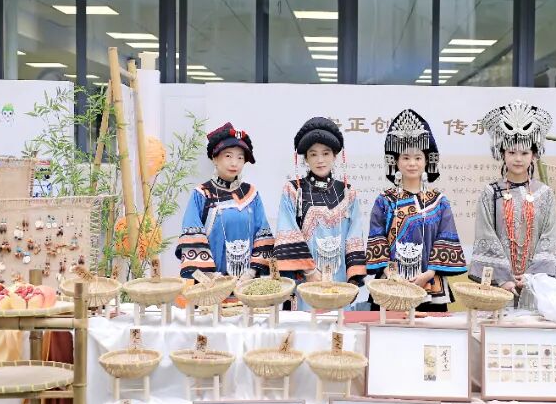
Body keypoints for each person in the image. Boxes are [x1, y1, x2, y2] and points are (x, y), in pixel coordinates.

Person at [469, 99, 556, 309]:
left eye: (524, 153)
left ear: (534, 155)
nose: (518, 159)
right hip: (498, 285)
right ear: (502, 153)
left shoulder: (544, 194)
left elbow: (550, 237)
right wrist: (503, 278)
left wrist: (532, 276)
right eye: (512, 152)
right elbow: (486, 235)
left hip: (536, 284)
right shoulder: (490, 193)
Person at [366, 109, 466, 311]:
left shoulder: (439, 202)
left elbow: (445, 239)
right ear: (395, 161)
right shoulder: (385, 200)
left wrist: (429, 273)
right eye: (405, 157)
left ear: (427, 161)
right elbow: (377, 239)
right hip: (390, 284)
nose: (412, 163)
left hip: (430, 285)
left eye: (418, 158)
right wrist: (391, 273)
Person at [274, 117, 366, 308]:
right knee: (306, 322)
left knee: (339, 322)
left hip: (339, 280)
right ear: (306, 159)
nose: (320, 160)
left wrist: (352, 279)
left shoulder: (347, 192)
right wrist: (309, 271)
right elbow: (287, 230)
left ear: (335, 156)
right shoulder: (293, 190)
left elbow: (354, 234)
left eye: (326, 153)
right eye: (313, 154)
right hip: (306, 280)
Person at [176, 122, 274, 281]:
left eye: (240, 157)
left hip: (247, 284)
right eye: (228, 156)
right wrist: (210, 277)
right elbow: (192, 239)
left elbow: (263, 235)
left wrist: (250, 273)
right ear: (215, 158)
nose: (234, 163)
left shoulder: (251, 194)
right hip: (212, 284)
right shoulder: (202, 194)